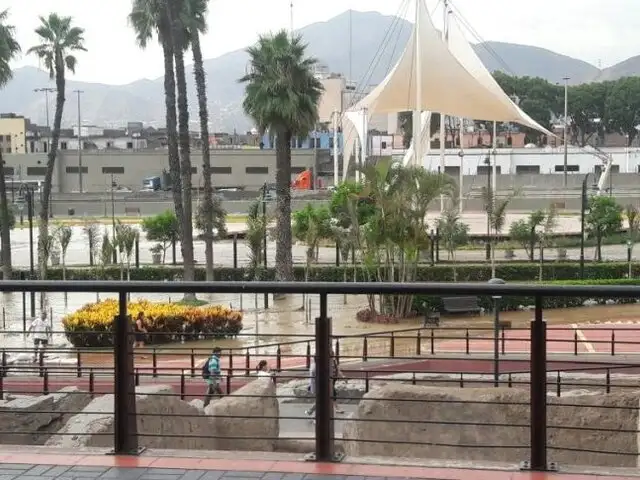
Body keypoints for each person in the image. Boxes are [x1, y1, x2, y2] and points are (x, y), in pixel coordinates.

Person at [305, 350, 345, 419]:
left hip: (326, 383)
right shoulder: (317, 367)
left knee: (322, 400)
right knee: (323, 400)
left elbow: (337, 370)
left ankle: (312, 412)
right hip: (322, 385)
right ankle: (314, 414)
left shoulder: (316, 365)